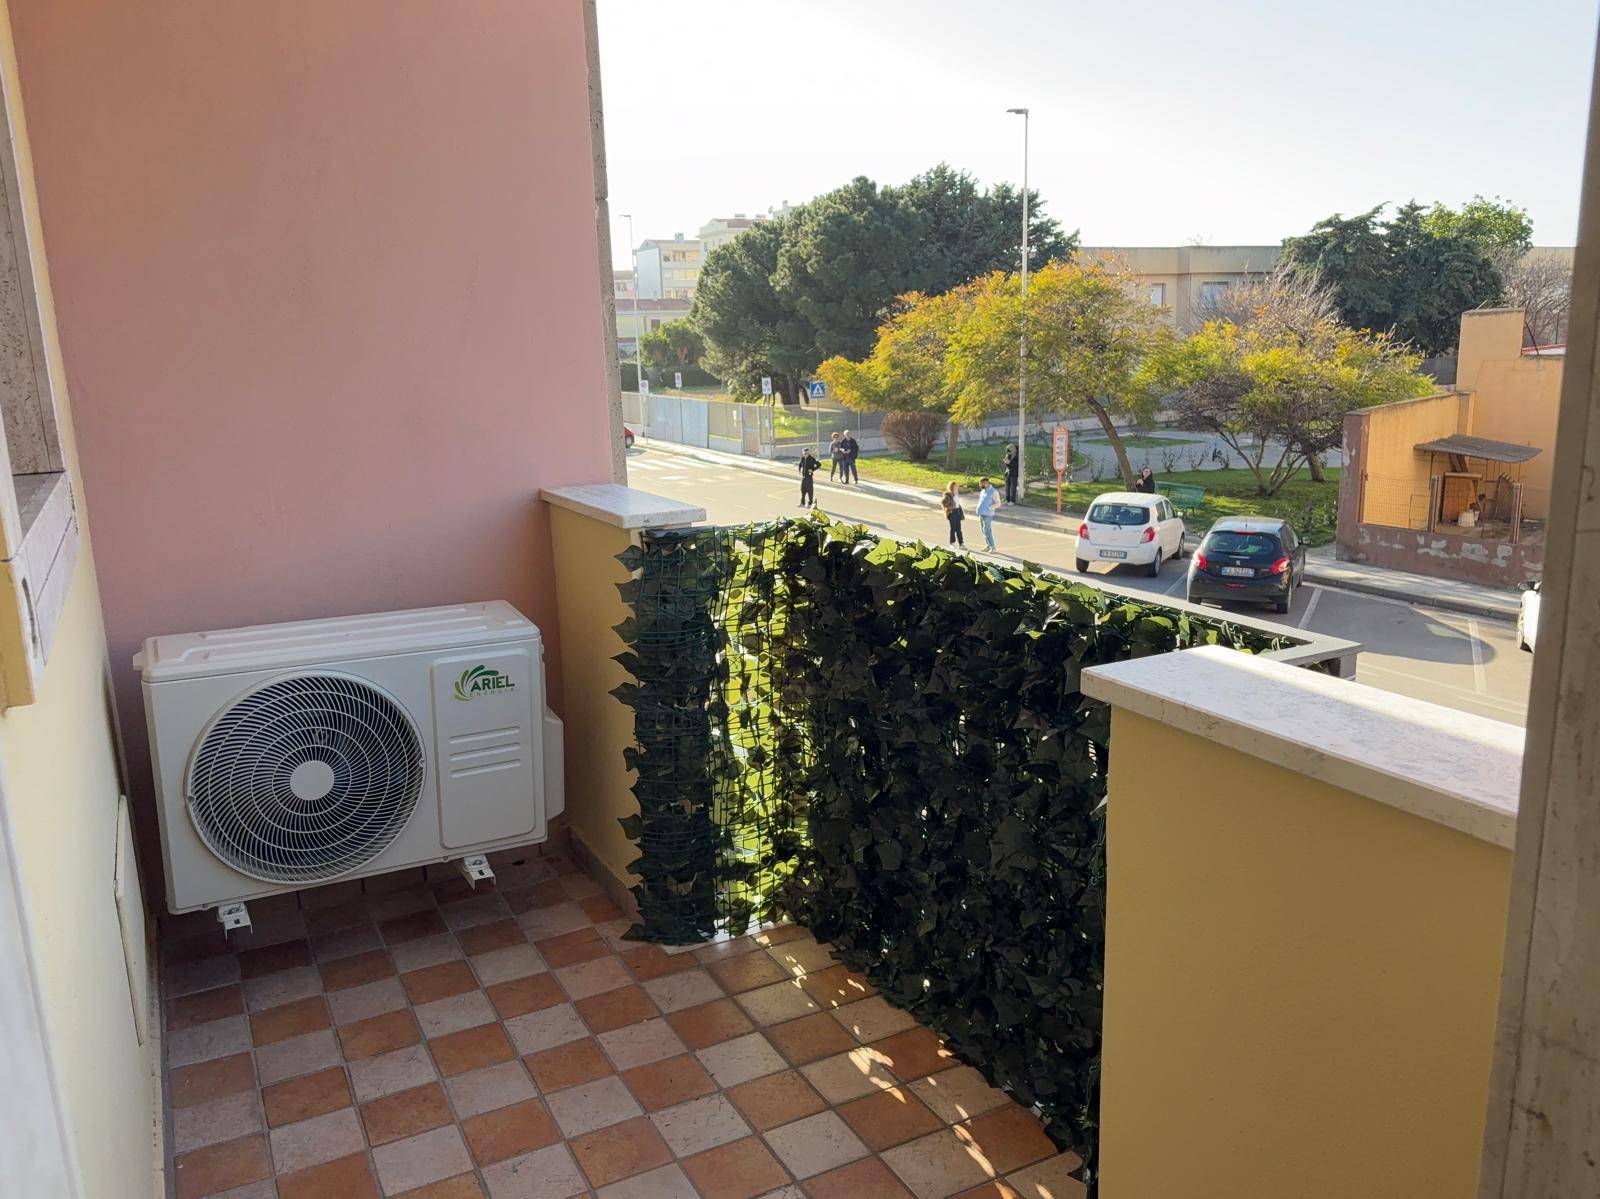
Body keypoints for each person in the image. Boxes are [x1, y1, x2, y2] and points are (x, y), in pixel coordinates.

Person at [975, 477, 999, 552]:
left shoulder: (993, 491)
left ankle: (993, 547)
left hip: (988, 514)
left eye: (982, 484)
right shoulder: (983, 491)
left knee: (987, 530)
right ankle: (988, 546)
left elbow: (998, 503)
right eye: (980, 484)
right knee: (983, 530)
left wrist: (989, 508)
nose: (980, 486)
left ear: (987, 483)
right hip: (982, 513)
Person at [941, 481, 965, 547]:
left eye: (957, 486)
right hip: (952, 512)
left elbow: (957, 504)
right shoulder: (948, 494)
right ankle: (952, 543)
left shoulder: (956, 494)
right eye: (955, 486)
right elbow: (943, 502)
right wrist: (951, 506)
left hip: (957, 512)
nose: (957, 487)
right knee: (953, 528)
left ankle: (961, 543)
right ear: (951, 487)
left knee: (959, 529)